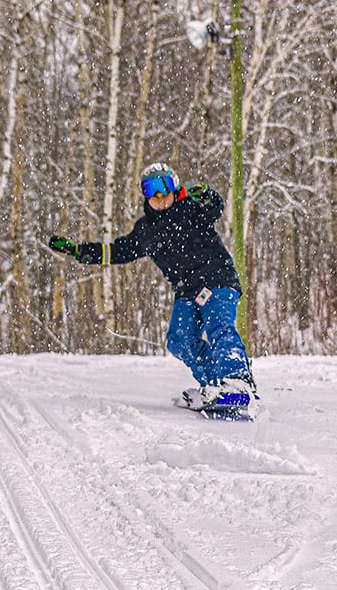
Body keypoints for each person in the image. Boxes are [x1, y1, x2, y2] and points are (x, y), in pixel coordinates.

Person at [48, 162, 256, 414]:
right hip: (186, 290)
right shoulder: (146, 230)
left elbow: (214, 208)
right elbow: (118, 251)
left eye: (164, 188)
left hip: (216, 279)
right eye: (151, 190)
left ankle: (238, 381)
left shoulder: (189, 208)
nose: (159, 197)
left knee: (219, 326)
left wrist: (207, 195)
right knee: (179, 340)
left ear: (175, 186)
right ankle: (216, 386)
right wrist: (80, 252)